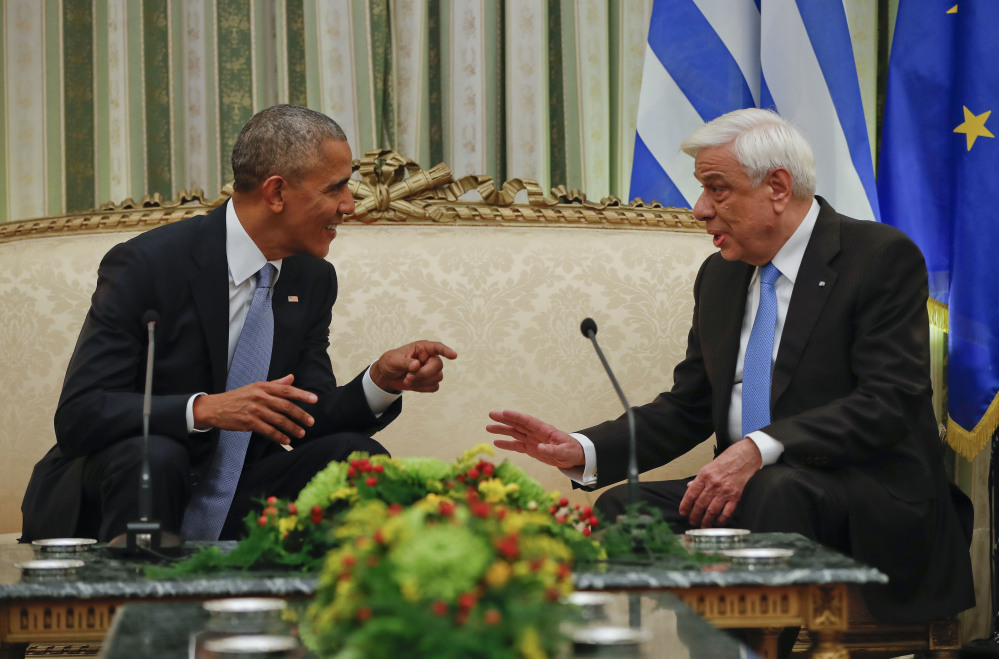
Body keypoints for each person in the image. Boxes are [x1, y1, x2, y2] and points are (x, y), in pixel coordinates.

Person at [487, 108, 973, 624]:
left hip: (866, 496)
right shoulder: (721, 276)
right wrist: (582, 449)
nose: (699, 210)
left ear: (778, 187)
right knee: (623, 510)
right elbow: (689, 406)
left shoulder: (877, 257)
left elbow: (888, 401)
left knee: (774, 487)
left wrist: (758, 450)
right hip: (759, 492)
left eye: (717, 190)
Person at [21, 104, 457, 543]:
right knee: (155, 456)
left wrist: (379, 383)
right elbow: (81, 414)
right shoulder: (148, 265)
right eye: (336, 187)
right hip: (127, 495)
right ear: (276, 193)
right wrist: (205, 409)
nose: (349, 205)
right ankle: (140, 605)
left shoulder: (311, 277)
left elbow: (304, 418)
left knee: (351, 457)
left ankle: (345, 607)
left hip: (236, 498)